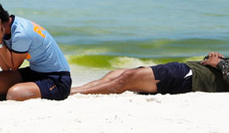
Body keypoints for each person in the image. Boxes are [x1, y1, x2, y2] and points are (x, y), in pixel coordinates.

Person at [0, 0, 72, 102]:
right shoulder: (6, 29)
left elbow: (14, 66)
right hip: (36, 72)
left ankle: (23, 92)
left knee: (13, 94)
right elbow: (5, 67)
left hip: (57, 79)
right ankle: (27, 90)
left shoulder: (21, 34)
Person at [71, 52, 229, 95]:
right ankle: (76, 90)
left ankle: (74, 92)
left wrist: (220, 64)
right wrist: (215, 58)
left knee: (126, 79)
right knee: (118, 73)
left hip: (191, 78)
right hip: (188, 69)